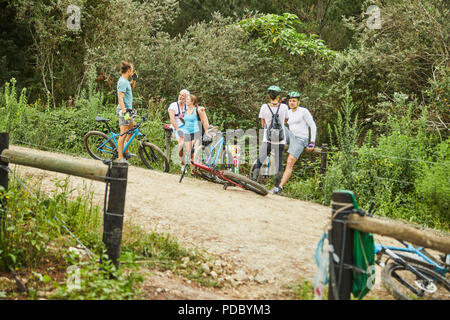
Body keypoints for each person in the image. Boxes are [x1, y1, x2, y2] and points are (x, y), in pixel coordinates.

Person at [270, 91, 317, 194]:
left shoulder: (303, 111)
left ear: (298, 102)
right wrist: (281, 105)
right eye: (290, 101)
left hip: (301, 139)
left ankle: (279, 187)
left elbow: (312, 125)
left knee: (289, 162)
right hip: (290, 136)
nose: (291, 103)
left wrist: (312, 141)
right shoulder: (288, 112)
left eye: (294, 101)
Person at [252, 86, 289, 187]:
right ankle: (277, 187)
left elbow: (263, 124)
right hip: (280, 141)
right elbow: (286, 121)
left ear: (269, 96)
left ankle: (253, 181)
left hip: (267, 140)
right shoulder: (284, 107)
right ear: (279, 96)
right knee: (278, 164)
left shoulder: (264, 107)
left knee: (260, 160)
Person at [182, 94, 210, 174]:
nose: (186, 101)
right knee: (189, 153)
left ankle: (198, 170)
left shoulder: (197, 110)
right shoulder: (186, 111)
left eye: (187, 99)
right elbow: (185, 122)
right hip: (187, 133)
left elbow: (204, 121)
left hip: (196, 132)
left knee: (196, 152)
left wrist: (207, 132)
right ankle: (192, 171)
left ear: (192, 101)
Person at [116, 61, 138, 163]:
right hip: (123, 111)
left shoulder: (125, 81)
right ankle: (120, 157)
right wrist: (124, 112)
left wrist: (134, 79)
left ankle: (126, 151)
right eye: (132, 71)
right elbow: (120, 98)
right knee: (123, 134)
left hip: (128, 110)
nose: (132, 72)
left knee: (133, 130)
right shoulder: (122, 82)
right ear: (128, 71)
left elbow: (131, 87)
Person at [168, 89, 189, 166]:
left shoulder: (187, 106)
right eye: (180, 95)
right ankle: (183, 164)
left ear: (186, 98)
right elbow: (172, 119)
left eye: (183, 96)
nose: (180, 97)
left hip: (186, 126)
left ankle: (194, 166)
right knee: (181, 145)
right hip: (177, 126)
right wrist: (178, 129)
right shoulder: (173, 105)